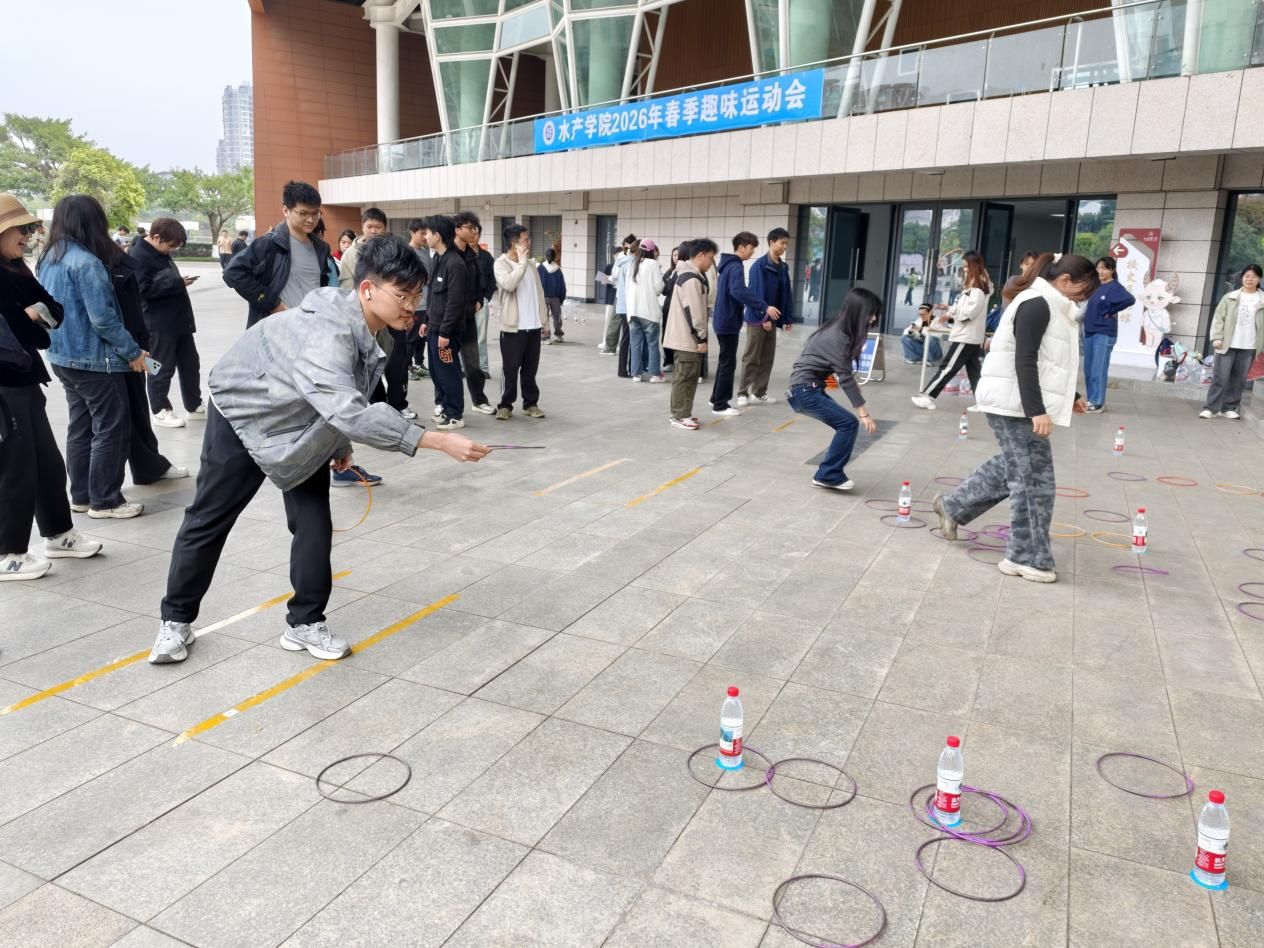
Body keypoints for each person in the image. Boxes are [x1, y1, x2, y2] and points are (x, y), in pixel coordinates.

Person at [147, 235, 490, 665]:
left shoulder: (377, 330)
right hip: (243, 413)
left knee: (313, 521)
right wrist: (436, 440)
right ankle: (175, 620)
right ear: (368, 289)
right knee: (210, 517)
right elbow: (347, 407)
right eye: (402, 295)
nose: (411, 306)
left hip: (301, 421)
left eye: (416, 296)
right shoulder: (328, 330)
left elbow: (343, 395)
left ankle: (305, 622)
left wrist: (338, 442)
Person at [933, 253, 1098, 584]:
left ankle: (953, 506)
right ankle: (1026, 557)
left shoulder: (1049, 303)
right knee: (1035, 482)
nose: (1083, 298)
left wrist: (1072, 395)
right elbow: (1024, 359)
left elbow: (1049, 361)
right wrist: (1037, 410)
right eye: (1082, 291)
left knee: (1016, 467)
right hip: (1014, 404)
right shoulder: (1037, 303)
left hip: (1016, 400)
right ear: (1065, 280)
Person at [0, 193, 102, 580]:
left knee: (46, 463)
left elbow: (53, 311)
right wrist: (27, 319)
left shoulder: (18, 270)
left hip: (25, 377)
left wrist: (29, 317)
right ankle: (8, 552)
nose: (28, 235)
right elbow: (21, 328)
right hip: (4, 385)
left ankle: (59, 534)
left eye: (30, 228)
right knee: (15, 467)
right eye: (21, 229)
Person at [38, 194, 149, 520]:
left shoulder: (48, 258)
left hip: (62, 357)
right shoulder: (87, 263)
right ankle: (106, 500)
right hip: (96, 361)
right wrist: (132, 351)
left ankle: (82, 495)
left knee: (81, 425)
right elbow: (104, 321)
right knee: (111, 427)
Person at [107, 245, 190, 486]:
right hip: (133, 344)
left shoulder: (64, 258)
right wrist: (133, 351)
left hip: (134, 342)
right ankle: (160, 409)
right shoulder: (111, 261)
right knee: (157, 372)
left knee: (174, 367)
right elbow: (105, 318)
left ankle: (90, 490)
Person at [786, 288, 881, 490]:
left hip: (805, 389)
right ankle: (828, 475)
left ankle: (828, 473)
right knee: (849, 423)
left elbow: (839, 371)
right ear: (858, 311)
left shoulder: (838, 328)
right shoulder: (838, 336)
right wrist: (864, 414)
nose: (873, 318)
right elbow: (845, 378)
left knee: (846, 424)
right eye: (871, 313)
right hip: (805, 391)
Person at [224, 180, 332, 328]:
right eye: (303, 213)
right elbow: (232, 273)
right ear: (286, 211)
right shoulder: (269, 244)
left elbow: (321, 285)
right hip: (279, 329)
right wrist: (272, 303)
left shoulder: (321, 248)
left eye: (315, 213)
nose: (310, 219)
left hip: (312, 329)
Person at [130, 218, 204, 429]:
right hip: (158, 324)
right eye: (171, 246)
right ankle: (160, 410)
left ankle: (194, 405)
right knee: (159, 367)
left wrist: (177, 283)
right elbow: (142, 291)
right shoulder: (138, 256)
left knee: (190, 364)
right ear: (156, 237)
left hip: (179, 321)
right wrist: (177, 283)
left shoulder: (160, 252)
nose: (173, 250)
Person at [913, 250, 992, 411]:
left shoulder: (978, 289)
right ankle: (983, 403)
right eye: (963, 266)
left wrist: (951, 311)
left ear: (974, 267)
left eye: (966, 266)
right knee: (974, 371)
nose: (964, 270)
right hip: (969, 336)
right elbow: (965, 310)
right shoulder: (975, 287)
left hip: (966, 336)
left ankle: (927, 396)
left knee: (947, 367)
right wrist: (950, 310)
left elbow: (968, 314)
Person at [492, 224, 547, 421]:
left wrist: (544, 320)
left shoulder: (531, 265)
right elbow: (508, 284)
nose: (529, 243)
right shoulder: (501, 264)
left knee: (530, 369)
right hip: (513, 327)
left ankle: (530, 403)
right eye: (525, 240)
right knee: (510, 368)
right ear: (514, 244)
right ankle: (505, 405)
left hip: (533, 325)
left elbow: (539, 293)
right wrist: (522, 263)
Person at [737, 227, 793, 406]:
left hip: (773, 318)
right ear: (772, 242)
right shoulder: (759, 266)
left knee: (768, 357)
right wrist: (765, 318)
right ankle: (743, 393)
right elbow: (756, 295)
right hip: (757, 318)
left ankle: (759, 392)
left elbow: (786, 294)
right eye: (782, 243)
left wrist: (787, 318)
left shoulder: (783, 267)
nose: (785, 247)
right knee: (752, 357)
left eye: (786, 243)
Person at [664, 239, 716, 430]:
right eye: (710, 258)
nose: (711, 262)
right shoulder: (691, 279)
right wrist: (700, 338)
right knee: (684, 377)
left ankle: (684, 412)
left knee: (689, 377)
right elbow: (694, 312)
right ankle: (679, 415)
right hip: (687, 338)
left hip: (686, 336)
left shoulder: (690, 275)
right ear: (700, 255)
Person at [1200, 264, 1263, 420]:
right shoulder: (1230, 297)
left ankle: (1228, 408)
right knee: (1220, 378)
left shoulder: (1262, 300)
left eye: (1254, 276)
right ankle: (1211, 408)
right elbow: (1218, 318)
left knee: (1239, 380)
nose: (1250, 279)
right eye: (1247, 276)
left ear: (1259, 279)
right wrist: (1217, 337)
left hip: (1249, 345)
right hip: (1227, 344)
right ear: (1242, 278)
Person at [423, 215, 468, 430]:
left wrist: (445, 332)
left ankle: (455, 414)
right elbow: (433, 296)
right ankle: (444, 407)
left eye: (427, 233)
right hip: (434, 328)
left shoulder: (455, 263)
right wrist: (427, 321)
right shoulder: (437, 260)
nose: (425, 236)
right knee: (436, 371)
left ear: (437, 236)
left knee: (448, 371)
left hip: (446, 333)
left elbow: (455, 302)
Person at [711, 232, 761, 415]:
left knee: (724, 361)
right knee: (728, 364)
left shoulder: (728, 265)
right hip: (728, 322)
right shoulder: (735, 267)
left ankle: (715, 398)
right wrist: (762, 306)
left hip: (723, 320)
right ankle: (720, 405)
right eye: (751, 248)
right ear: (741, 247)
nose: (752, 252)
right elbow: (738, 291)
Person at [1082, 256, 1136, 412]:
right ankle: (1091, 399)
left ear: (1112, 270)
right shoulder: (1096, 286)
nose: (1100, 271)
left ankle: (1097, 401)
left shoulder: (1114, 287)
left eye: (1104, 268)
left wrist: (1112, 310)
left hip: (1104, 333)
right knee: (1088, 369)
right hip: (1090, 331)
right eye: (1098, 268)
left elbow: (1130, 299)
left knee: (1098, 369)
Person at [452, 212, 493, 414]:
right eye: (470, 228)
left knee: (473, 359)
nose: (473, 233)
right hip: (450, 319)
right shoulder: (448, 255)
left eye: (475, 229)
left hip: (470, 315)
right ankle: (444, 403)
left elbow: (483, 282)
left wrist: (480, 299)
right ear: (457, 229)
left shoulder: (476, 257)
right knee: (447, 365)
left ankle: (479, 400)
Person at [628, 239, 664, 382]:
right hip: (649, 311)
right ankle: (655, 375)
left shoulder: (633, 264)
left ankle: (636, 374)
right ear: (651, 251)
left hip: (633, 311)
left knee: (635, 344)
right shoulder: (653, 264)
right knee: (652, 344)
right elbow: (658, 288)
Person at [337, 208, 388, 289]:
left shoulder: (394, 251)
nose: (373, 231)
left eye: (378, 227)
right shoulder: (350, 254)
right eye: (369, 227)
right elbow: (347, 287)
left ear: (385, 228)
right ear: (362, 227)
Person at [407, 219, 432, 379]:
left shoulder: (424, 251)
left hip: (426, 301)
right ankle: (407, 366)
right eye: (421, 233)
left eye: (426, 233)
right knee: (411, 336)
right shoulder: (407, 252)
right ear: (412, 233)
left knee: (421, 336)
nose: (425, 237)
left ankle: (419, 363)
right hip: (414, 302)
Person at [473, 222, 494, 374]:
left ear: (479, 235)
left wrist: (486, 298)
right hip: (464, 302)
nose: (473, 236)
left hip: (482, 301)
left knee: (481, 337)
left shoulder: (486, 257)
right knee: (463, 336)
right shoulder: (460, 254)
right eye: (471, 232)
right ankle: (464, 368)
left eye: (476, 233)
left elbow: (492, 280)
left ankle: (483, 367)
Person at [538, 248, 567, 344]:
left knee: (544, 317)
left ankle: (545, 337)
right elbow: (562, 285)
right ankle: (558, 335)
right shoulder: (557, 269)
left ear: (545, 256)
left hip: (544, 297)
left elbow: (536, 283)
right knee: (557, 317)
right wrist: (562, 298)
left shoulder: (541, 268)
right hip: (556, 298)